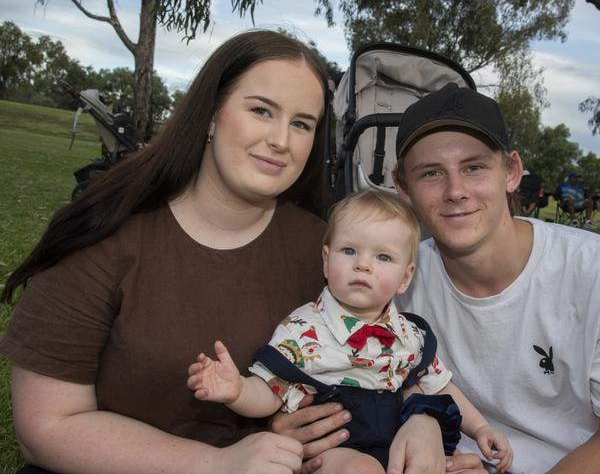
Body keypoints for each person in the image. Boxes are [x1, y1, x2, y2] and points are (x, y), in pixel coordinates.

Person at [0, 30, 351, 474]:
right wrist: (216, 463)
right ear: (210, 115)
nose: (282, 140)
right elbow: (47, 426)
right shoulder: (106, 231)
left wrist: (284, 437)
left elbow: (369, 366)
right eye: (262, 110)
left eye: (302, 123)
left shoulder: (328, 252)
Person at [387, 82, 600, 473]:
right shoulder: (395, 280)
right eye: (431, 173)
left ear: (511, 172)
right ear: (403, 188)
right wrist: (420, 413)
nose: (455, 191)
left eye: (474, 167)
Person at [187, 190, 513, 474]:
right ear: (327, 261)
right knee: (362, 470)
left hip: (401, 443)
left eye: (383, 257)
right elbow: (269, 395)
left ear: (405, 277)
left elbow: (440, 385)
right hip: (337, 450)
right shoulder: (304, 330)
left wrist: (480, 427)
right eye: (349, 251)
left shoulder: (409, 334)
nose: (363, 265)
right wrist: (237, 391)